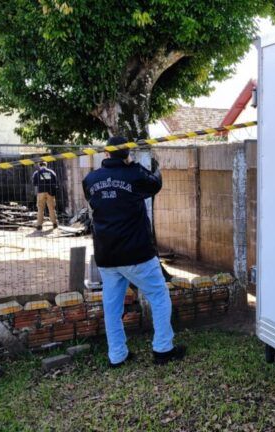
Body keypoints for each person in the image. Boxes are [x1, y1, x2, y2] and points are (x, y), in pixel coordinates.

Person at [82, 136, 185, 367]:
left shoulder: (90, 179)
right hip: (137, 253)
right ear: (127, 155)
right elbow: (155, 184)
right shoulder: (135, 174)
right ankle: (163, 349)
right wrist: (151, 166)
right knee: (159, 296)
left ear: (106, 154)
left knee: (112, 307)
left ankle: (117, 356)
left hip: (107, 256)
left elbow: (93, 200)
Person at [32, 161, 59, 230]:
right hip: (50, 192)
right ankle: (54, 223)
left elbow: (34, 183)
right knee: (51, 208)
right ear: (46, 165)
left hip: (41, 192)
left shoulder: (36, 173)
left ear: (40, 165)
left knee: (40, 209)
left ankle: (39, 225)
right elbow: (55, 182)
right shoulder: (51, 172)